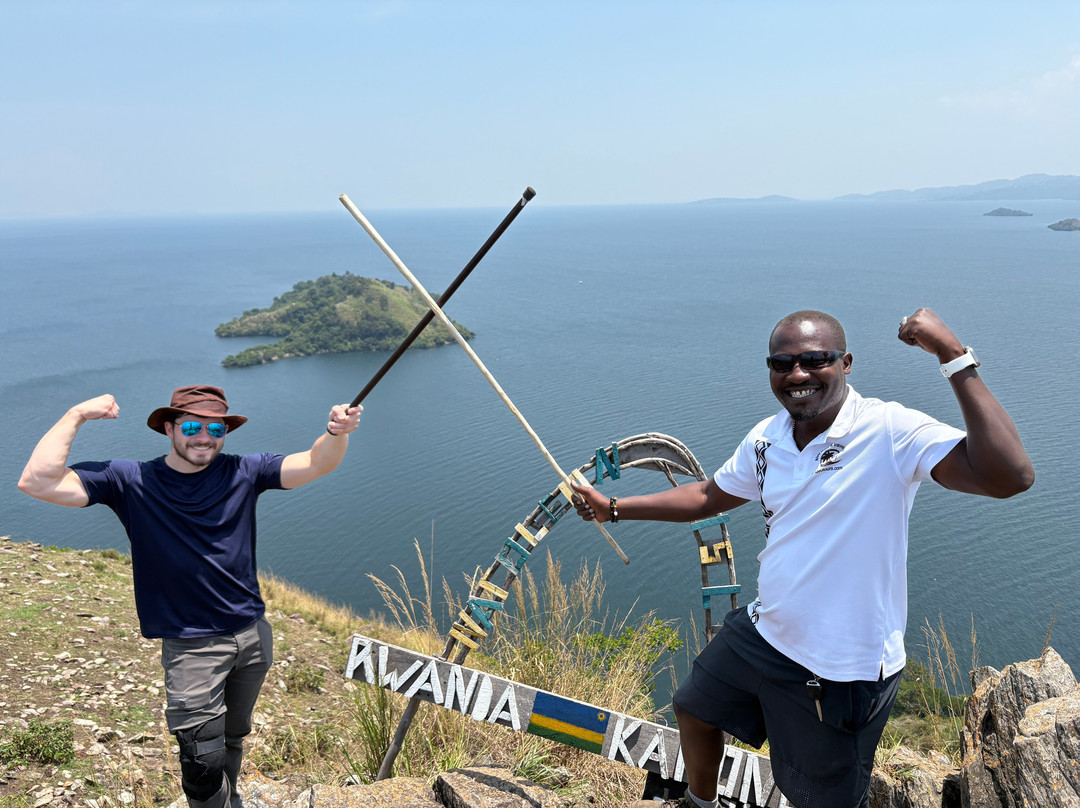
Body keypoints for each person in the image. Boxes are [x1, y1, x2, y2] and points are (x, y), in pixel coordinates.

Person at [571, 308, 1033, 808]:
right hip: (766, 631)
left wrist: (953, 356)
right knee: (694, 709)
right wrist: (613, 509)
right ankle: (701, 805)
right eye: (782, 363)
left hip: (841, 668)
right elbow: (709, 497)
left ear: (846, 363)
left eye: (815, 360)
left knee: (816, 796)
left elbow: (1009, 476)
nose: (796, 375)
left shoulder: (889, 430)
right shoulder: (768, 437)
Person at [18, 385, 363, 808]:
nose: (204, 437)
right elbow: (36, 481)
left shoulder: (245, 472)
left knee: (233, 737)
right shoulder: (131, 480)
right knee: (202, 761)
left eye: (215, 427)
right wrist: (76, 414)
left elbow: (315, 463)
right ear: (169, 428)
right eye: (193, 426)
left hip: (252, 637)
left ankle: (231, 798)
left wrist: (336, 432)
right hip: (191, 647)